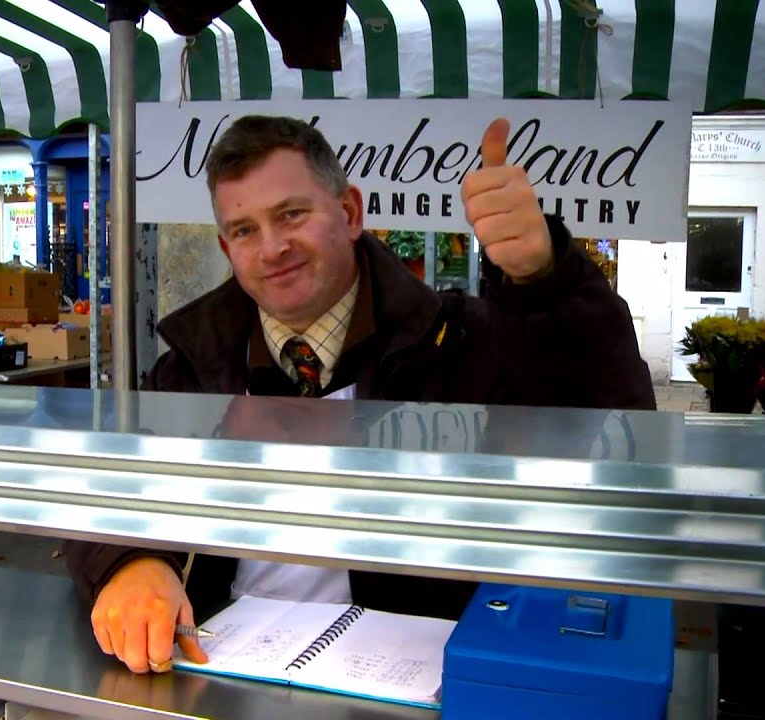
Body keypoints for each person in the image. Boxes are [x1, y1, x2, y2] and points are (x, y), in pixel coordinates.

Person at [63, 114, 656, 675]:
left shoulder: (459, 343)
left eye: (292, 215)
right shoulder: (193, 367)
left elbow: (612, 428)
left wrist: (543, 280)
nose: (272, 248)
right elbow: (103, 480)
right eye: (245, 230)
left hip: (416, 673)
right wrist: (129, 560)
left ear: (349, 212)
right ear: (226, 250)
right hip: (222, 668)